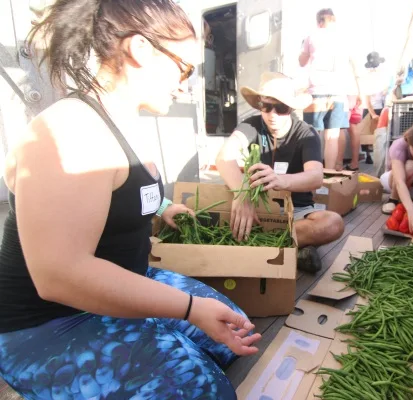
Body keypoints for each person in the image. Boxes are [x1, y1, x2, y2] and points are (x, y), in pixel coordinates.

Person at [0, 1, 260, 399]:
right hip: (51, 323)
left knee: (234, 329)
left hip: (128, 278)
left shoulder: (126, 119)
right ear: (140, 49)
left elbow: (116, 196)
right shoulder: (70, 131)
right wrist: (189, 308)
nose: (187, 84)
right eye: (184, 68)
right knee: (205, 391)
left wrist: (163, 208)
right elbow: (59, 275)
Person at [216, 72, 345, 273]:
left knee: (333, 223)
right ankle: (294, 246)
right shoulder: (252, 125)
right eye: (266, 106)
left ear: (291, 108)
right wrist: (242, 193)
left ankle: (261, 243)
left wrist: (281, 180)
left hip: (297, 211)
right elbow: (224, 158)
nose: (272, 114)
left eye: (281, 108)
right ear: (260, 104)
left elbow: (316, 177)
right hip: (257, 207)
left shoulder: (306, 133)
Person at [298, 8, 361, 170]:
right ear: (333, 20)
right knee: (332, 136)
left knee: (312, 135)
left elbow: (302, 62)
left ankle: (313, 173)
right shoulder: (343, 39)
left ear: (319, 22)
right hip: (338, 94)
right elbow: (353, 65)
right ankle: (329, 172)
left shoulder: (311, 37)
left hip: (317, 93)